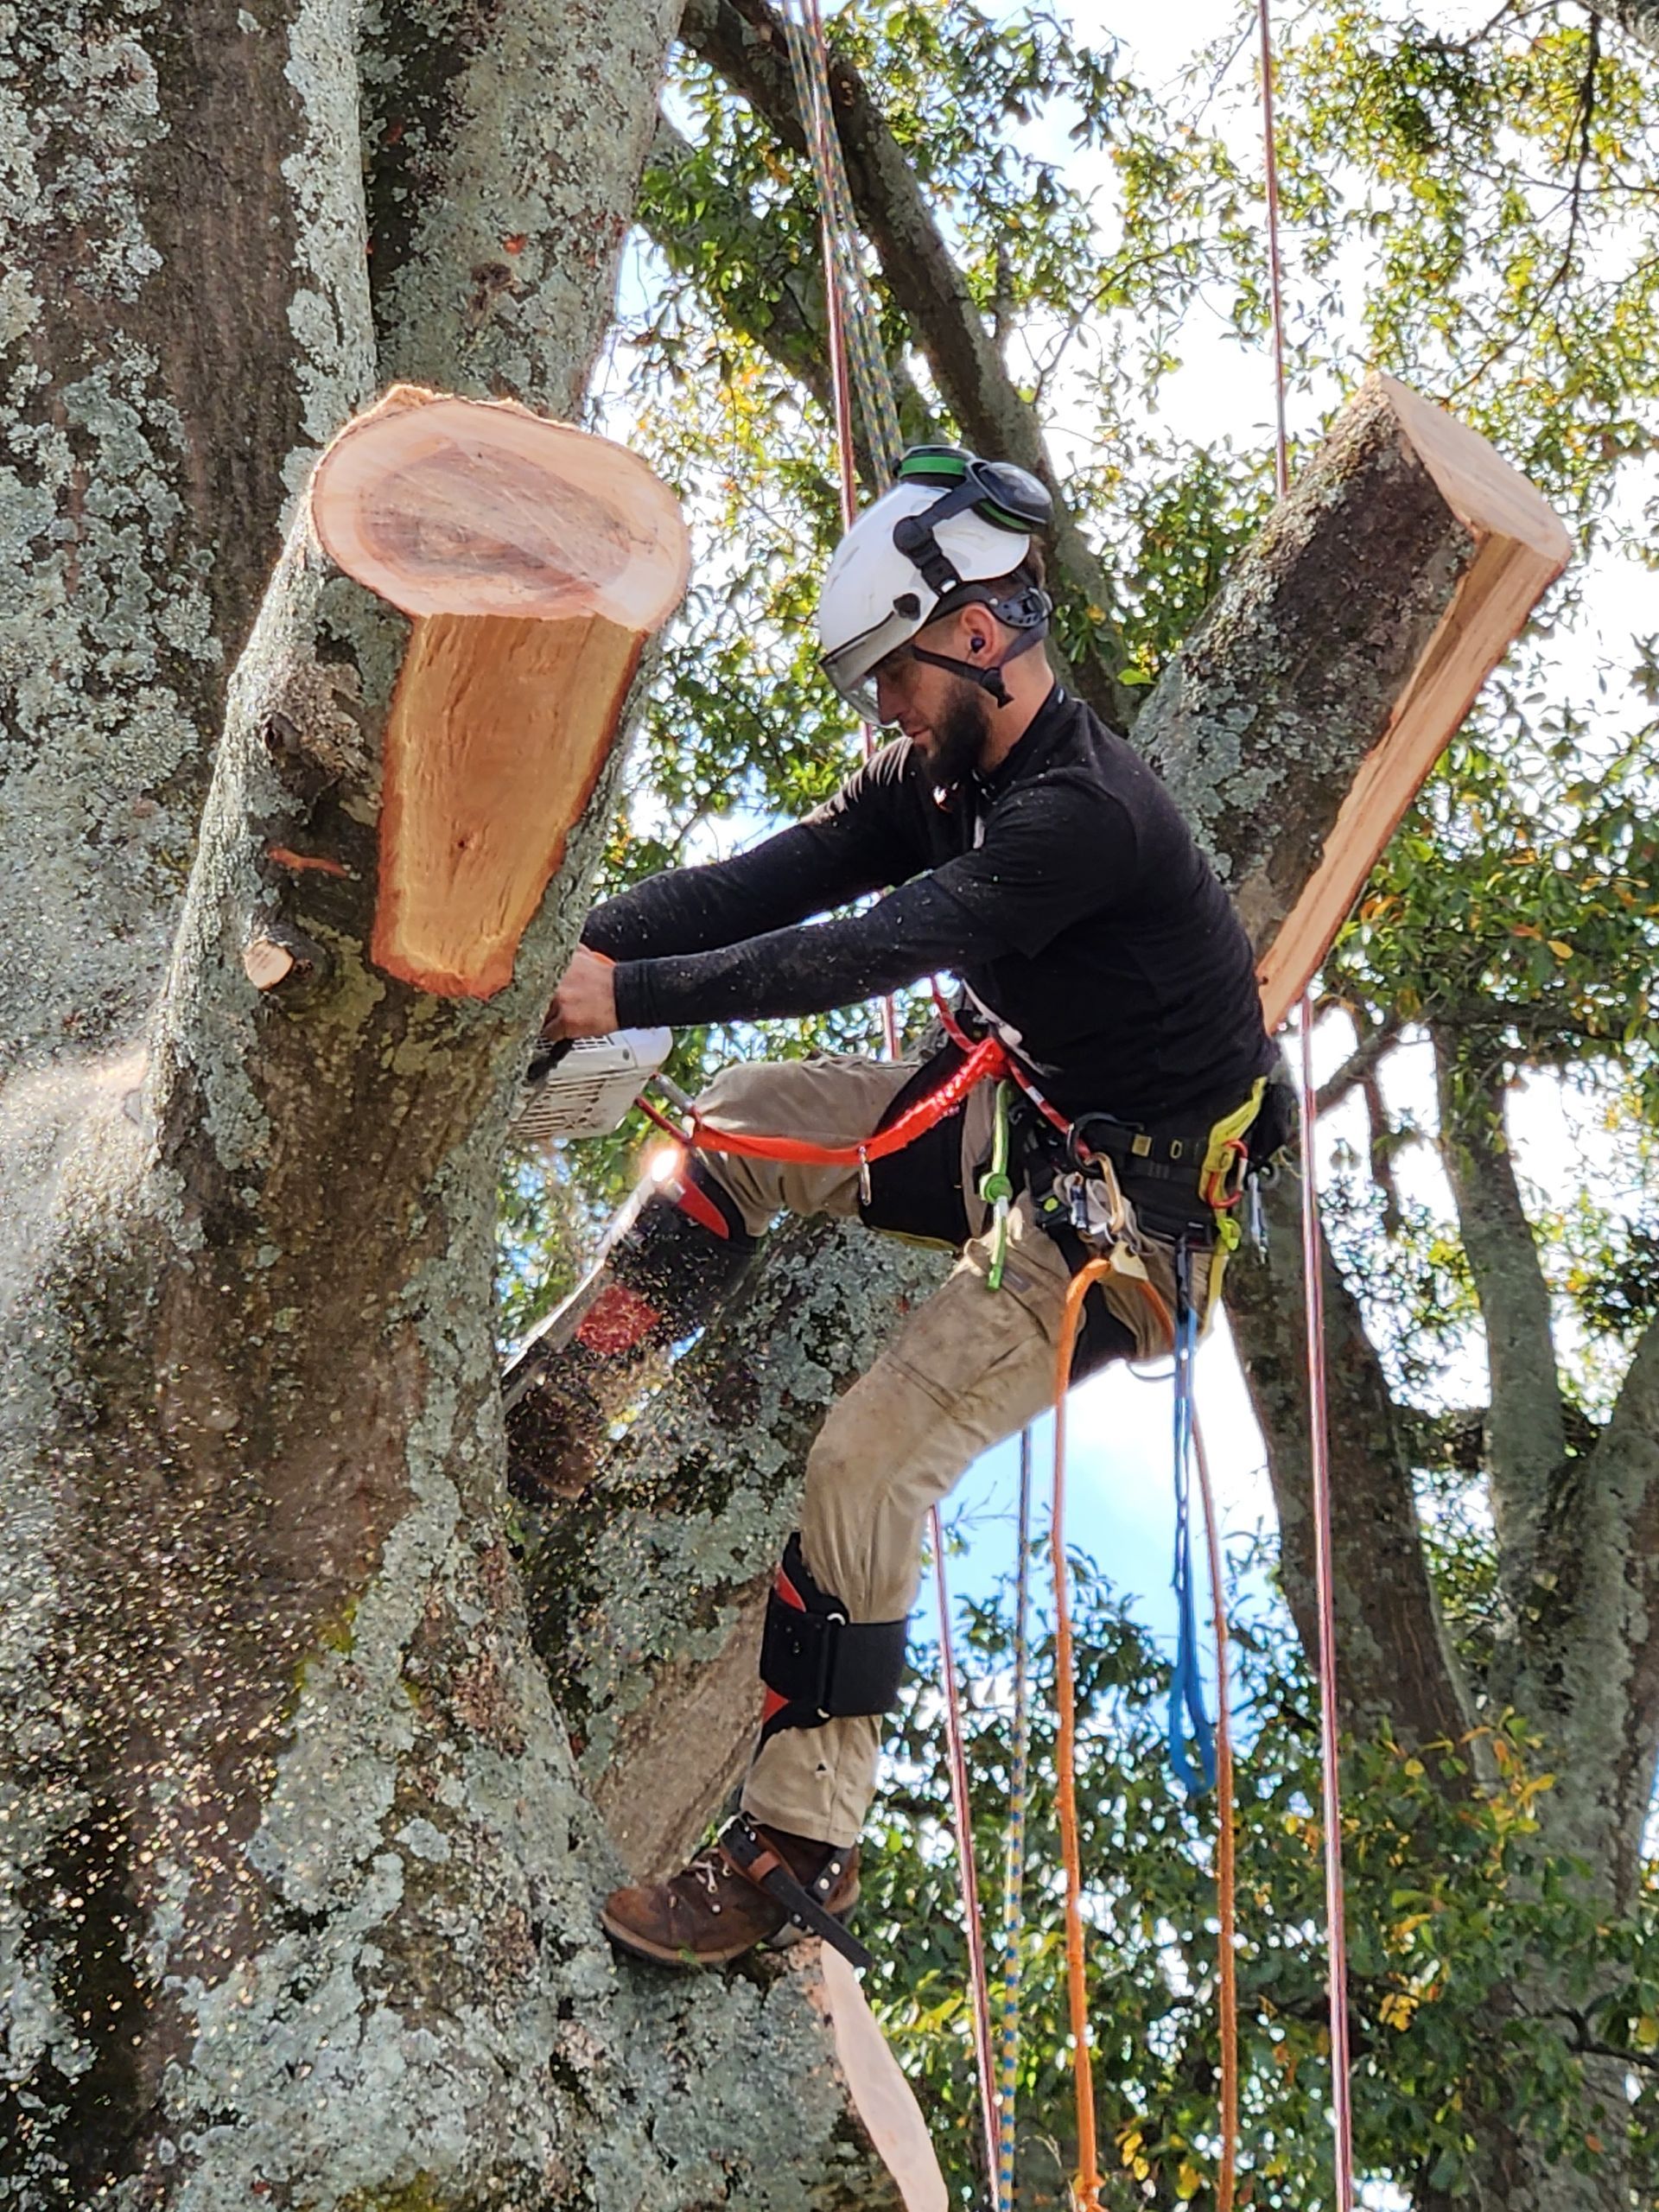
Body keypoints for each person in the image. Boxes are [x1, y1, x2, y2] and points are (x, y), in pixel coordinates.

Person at [524, 446, 1282, 1969]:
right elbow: (777, 881)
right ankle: (568, 1395)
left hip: (1121, 1229)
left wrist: (628, 992)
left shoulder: (1082, 814)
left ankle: (798, 1854)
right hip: (1026, 1122)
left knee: (867, 1462)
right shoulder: (941, 771)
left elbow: (871, 949)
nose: (881, 701)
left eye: (894, 669)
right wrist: (571, 942)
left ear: (982, 633)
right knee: (737, 1128)